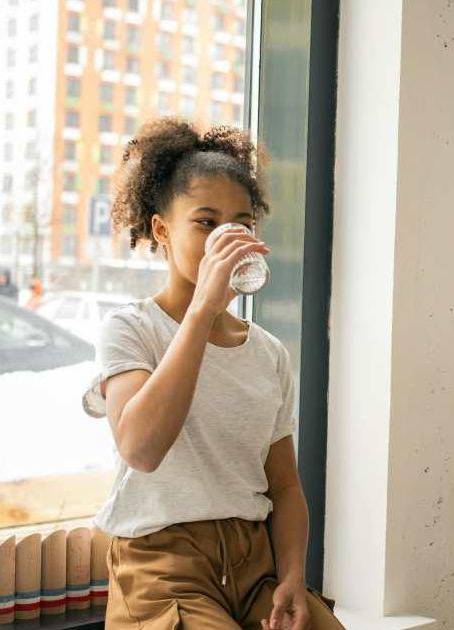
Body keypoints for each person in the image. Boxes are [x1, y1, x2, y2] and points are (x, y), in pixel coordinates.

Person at [82, 119, 344, 630]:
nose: (227, 238)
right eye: (205, 222)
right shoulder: (130, 329)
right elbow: (141, 447)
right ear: (162, 229)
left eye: (240, 224)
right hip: (163, 566)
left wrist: (291, 576)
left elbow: (285, 487)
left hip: (256, 564)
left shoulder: (267, 353)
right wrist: (201, 310)